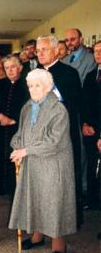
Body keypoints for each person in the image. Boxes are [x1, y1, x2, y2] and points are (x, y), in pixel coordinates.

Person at [9, 69, 76, 253]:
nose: (33, 89)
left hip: (53, 164)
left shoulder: (58, 110)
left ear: (47, 86)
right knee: (36, 198)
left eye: (37, 85)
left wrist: (26, 150)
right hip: (33, 161)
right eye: (30, 85)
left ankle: (58, 245)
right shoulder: (27, 108)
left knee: (54, 203)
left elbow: (53, 142)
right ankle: (38, 236)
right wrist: (17, 145)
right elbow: (20, 133)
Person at [36, 35, 83, 227]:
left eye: (44, 49)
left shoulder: (69, 73)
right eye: (38, 50)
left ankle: (62, 230)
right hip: (38, 136)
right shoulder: (34, 73)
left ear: (56, 51)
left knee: (60, 184)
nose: (40, 53)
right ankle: (39, 228)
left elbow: (73, 105)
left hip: (61, 136)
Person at [0, 55, 28, 195]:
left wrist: (13, 121)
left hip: (18, 128)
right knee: (0, 155)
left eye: (13, 67)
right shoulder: (0, 84)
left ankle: (15, 188)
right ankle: (1, 186)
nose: (10, 70)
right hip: (0, 127)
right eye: (6, 68)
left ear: (20, 68)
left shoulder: (26, 85)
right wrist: (0, 116)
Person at [81, 41, 101, 209]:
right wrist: (85, 123)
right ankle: (92, 200)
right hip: (90, 129)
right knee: (91, 164)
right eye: (95, 51)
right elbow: (84, 102)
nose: (98, 54)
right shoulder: (90, 75)